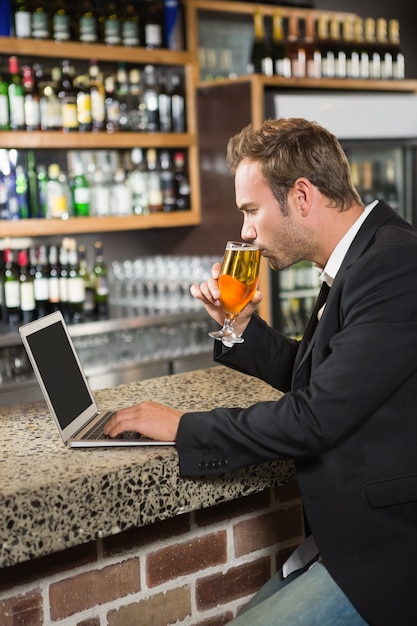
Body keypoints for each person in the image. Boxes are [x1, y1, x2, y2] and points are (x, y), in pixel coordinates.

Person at [104, 118, 417, 625]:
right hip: (344, 544)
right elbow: (319, 377)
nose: (246, 232)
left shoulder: (393, 265)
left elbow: (316, 417)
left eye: (251, 211)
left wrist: (183, 427)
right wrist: (239, 328)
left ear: (301, 195)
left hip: (388, 555)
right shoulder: (362, 257)